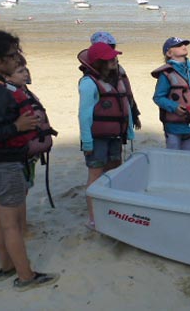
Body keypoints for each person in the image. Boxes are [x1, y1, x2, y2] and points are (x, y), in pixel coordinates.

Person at [0, 30, 59, 291]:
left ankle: (7, 267)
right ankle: (26, 276)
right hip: (3, 163)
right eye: (12, 55)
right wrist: (18, 126)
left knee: (0, 218)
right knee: (11, 224)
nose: (18, 59)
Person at [77, 42, 134, 230]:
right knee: (95, 175)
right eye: (110, 59)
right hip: (97, 139)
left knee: (114, 173)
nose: (115, 60)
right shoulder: (88, 83)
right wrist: (87, 142)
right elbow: (84, 115)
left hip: (115, 136)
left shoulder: (116, 79)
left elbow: (126, 106)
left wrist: (130, 130)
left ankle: (111, 211)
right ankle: (94, 218)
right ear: (100, 62)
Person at [4, 55, 57, 235]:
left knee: (25, 188)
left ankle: (23, 225)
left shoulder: (22, 90)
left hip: (30, 151)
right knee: (20, 191)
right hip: (20, 151)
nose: (25, 74)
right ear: (6, 76)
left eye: (25, 69)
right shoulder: (8, 94)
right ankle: (20, 228)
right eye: (20, 71)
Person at [151, 37, 190, 150]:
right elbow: (158, 97)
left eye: (184, 44)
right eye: (178, 45)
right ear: (169, 53)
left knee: (189, 157)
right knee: (173, 156)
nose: (183, 46)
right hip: (173, 126)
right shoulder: (166, 73)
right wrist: (174, 107)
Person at [89, 31, 142, 131]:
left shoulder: (119, 71)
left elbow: (128, 94)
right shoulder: (90, 78)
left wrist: (135, 115)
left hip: (119, 122)